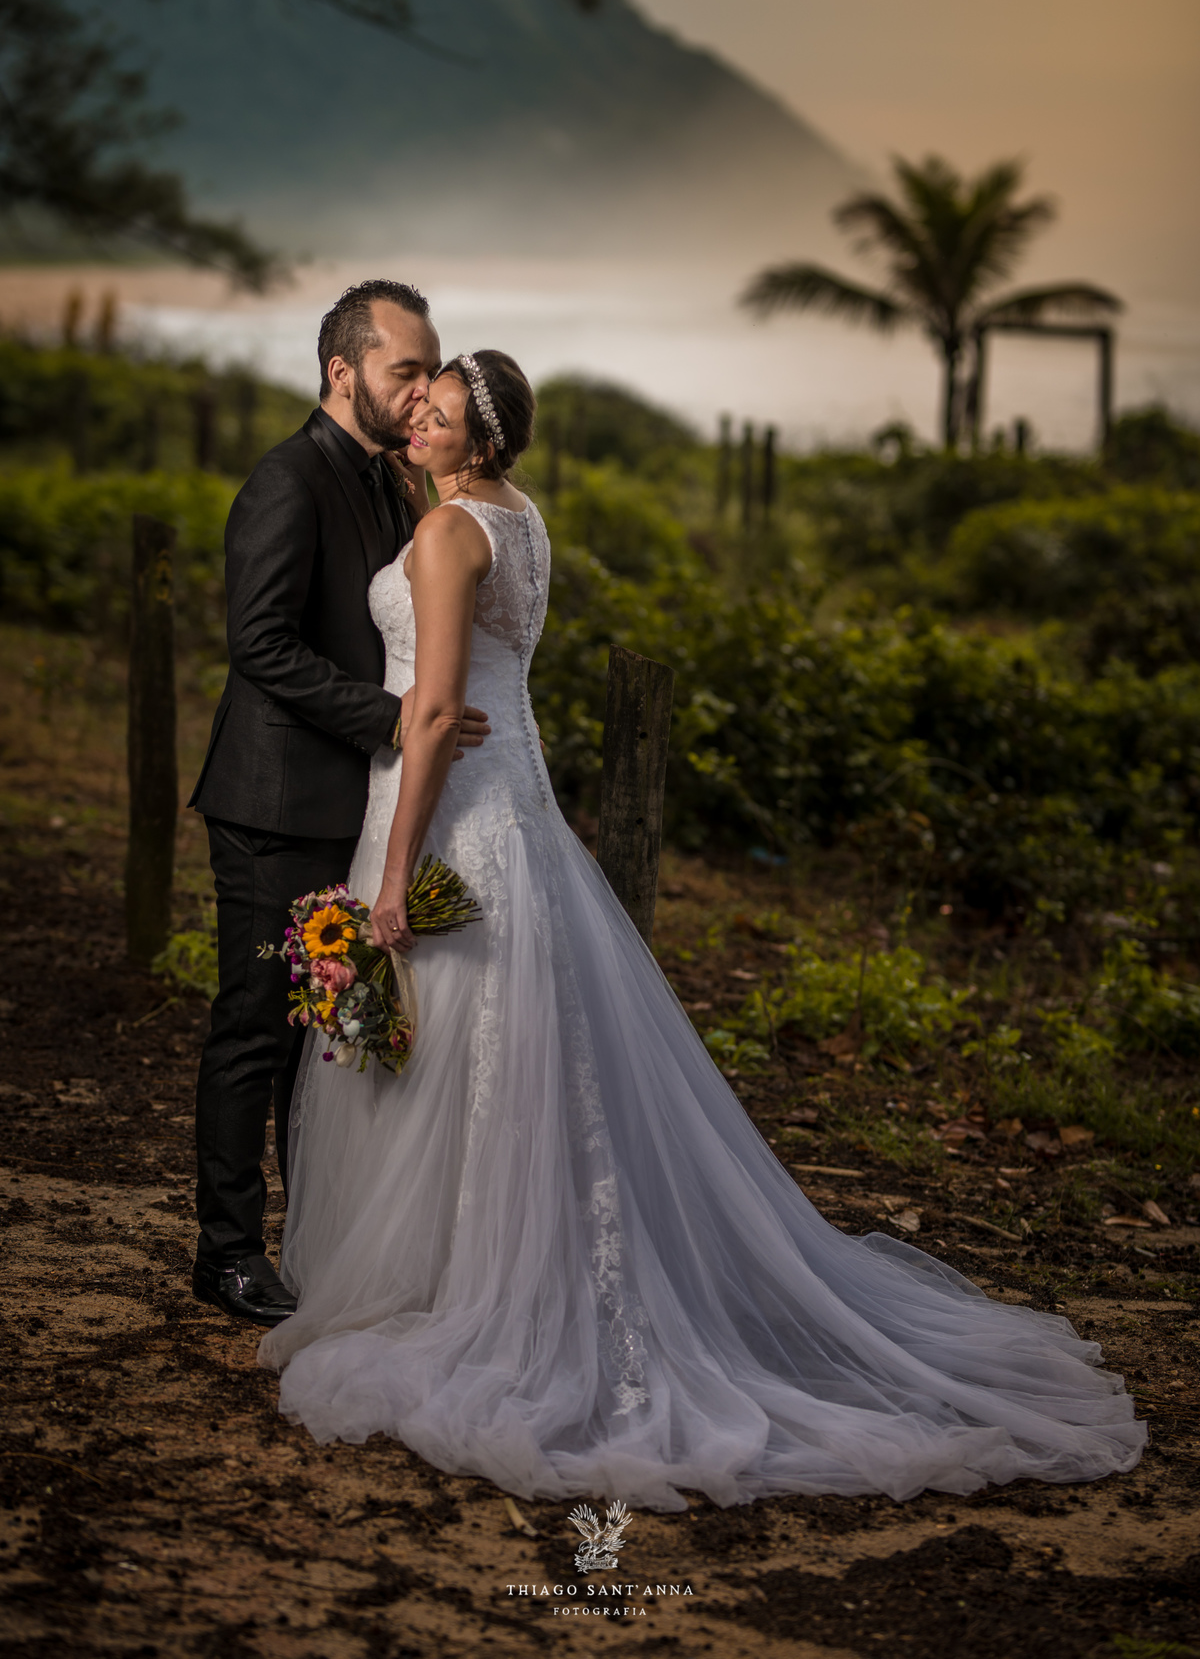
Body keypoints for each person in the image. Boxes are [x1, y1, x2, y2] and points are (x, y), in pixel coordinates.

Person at [259, 350, 1145, 1510]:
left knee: (452, 1054)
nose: (412, 425)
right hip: (524, 814)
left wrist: (392, 876)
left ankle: (460, 1300)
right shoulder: (521, 520)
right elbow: (496, 685)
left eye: (430, 416)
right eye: (412, 410)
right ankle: (488, 1275)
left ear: (475, 441)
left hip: (454, 820)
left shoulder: (444, 537)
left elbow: (429, 712)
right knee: (521, 1062)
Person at [187, 280, 492, 1327]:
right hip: (272, 802)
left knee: (328, 1038)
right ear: (342, 371)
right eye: (405, 371)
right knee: (256, 1026)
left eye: (428, 373)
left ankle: (307, 1244)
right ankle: (224, 1253)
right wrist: (394, 715)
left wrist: (439, 708)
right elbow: (260, 644)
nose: (419, 394)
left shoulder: (384, 481)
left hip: (348, 807)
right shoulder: (288, 481)